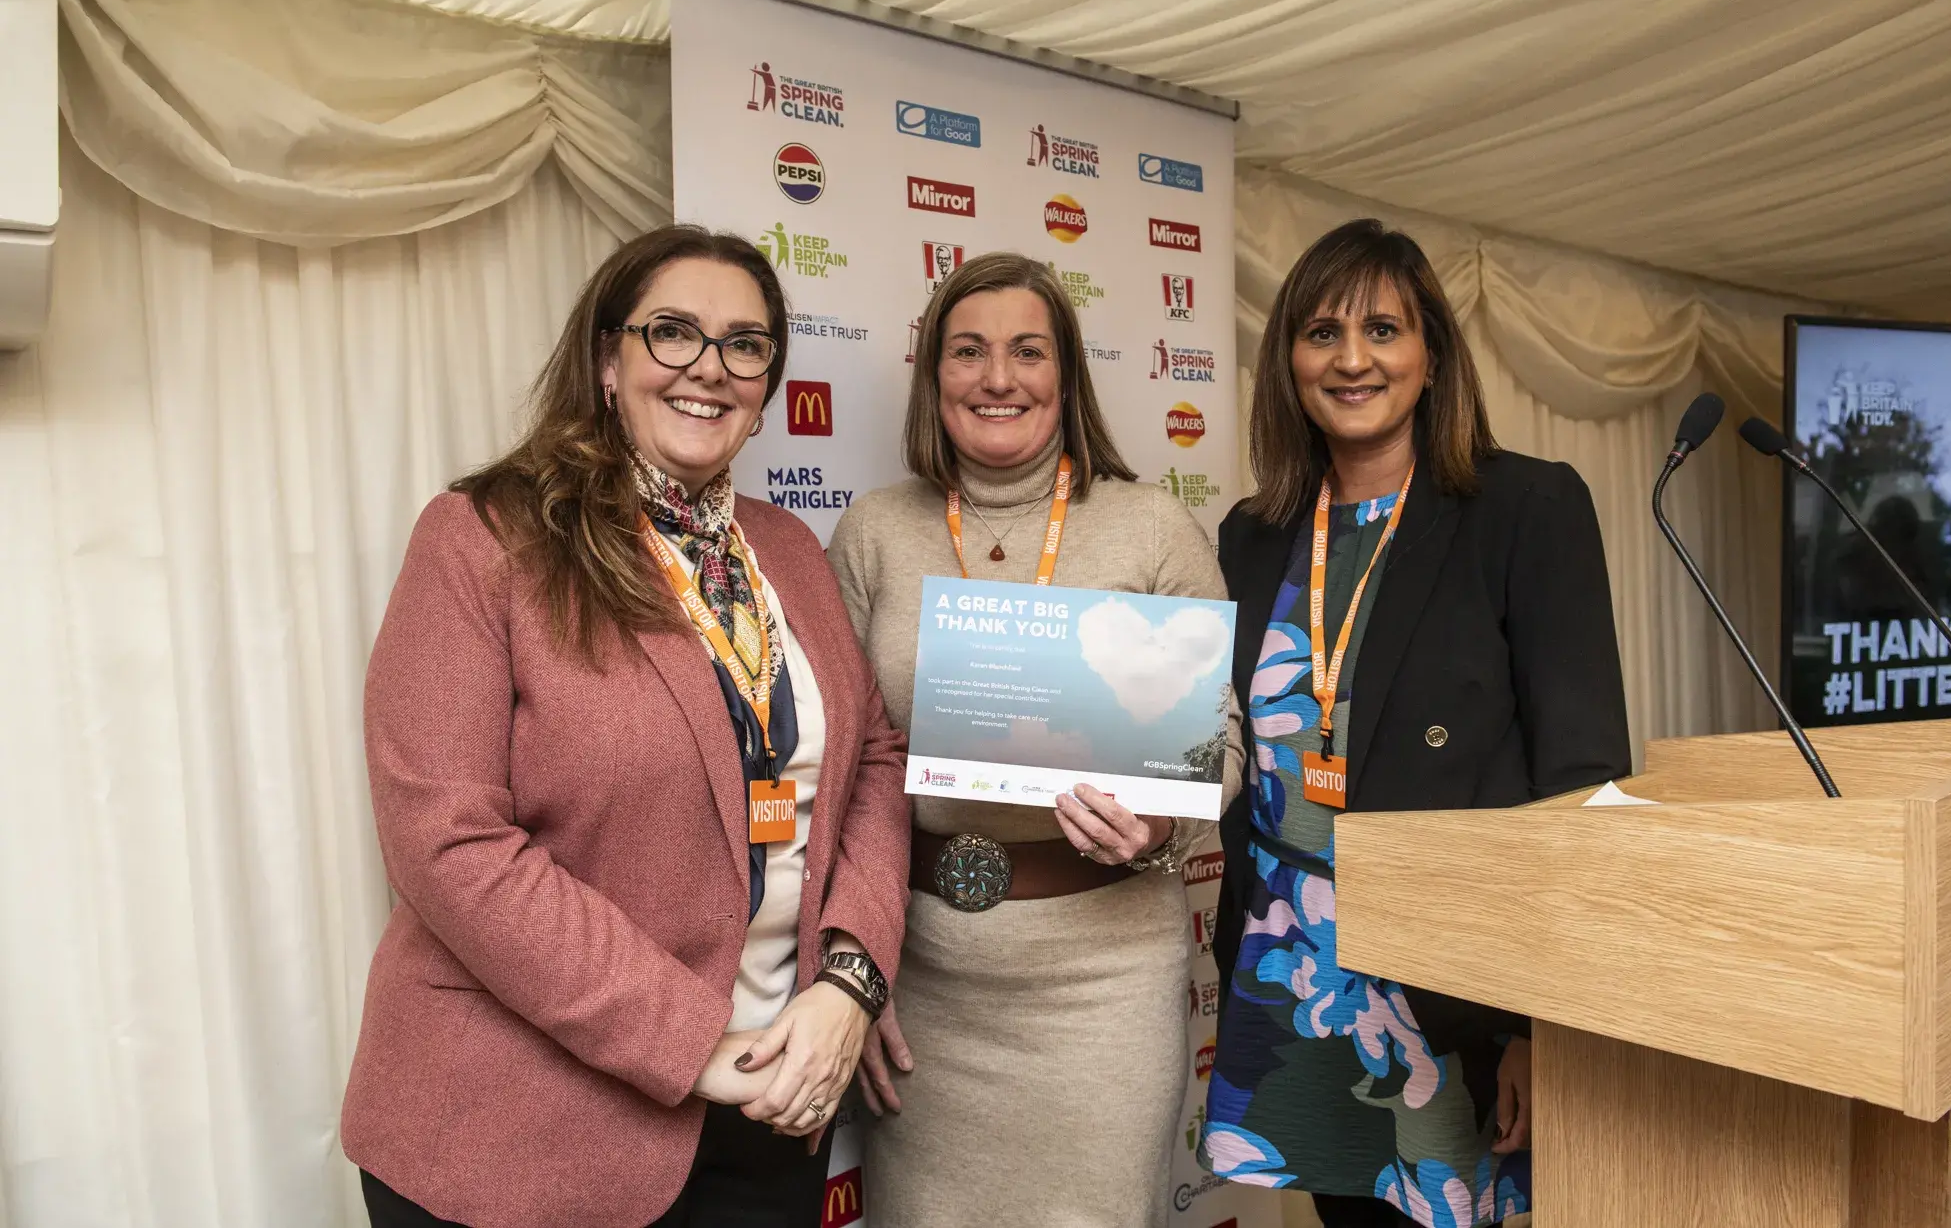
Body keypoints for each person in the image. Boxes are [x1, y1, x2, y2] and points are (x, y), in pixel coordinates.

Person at [339, 225, 911, 1228]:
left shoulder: (788, 550)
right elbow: (448, 844)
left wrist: (848, 982)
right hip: (521, 1132)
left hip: (771, 1103)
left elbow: (869, 761)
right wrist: (695, 1044)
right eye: (672, 332)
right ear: (608, 361)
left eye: (744, 344)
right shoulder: (484, 539)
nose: (708, 367)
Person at [1198, 219, 1629, 1227]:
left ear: (1431, 354)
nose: (1351, 360)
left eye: (1381, 330)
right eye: (1320, 332)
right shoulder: (1249, 538)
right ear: (1286, 362)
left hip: (1450, 999)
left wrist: (1538, 1023)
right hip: (1287, 981)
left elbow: (1578, 778)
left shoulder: (1524, 509)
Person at [826, 252, 1241, 1228]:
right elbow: (841, 772)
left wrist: (1157, 826)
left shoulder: (1150, 526)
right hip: (923, 982)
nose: (997, 377)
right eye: (966, 352)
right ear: (934, 379)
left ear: (1066, 375)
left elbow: (1225, 744)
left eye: (1026, 351)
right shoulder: (874, 531)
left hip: (1102, 987)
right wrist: (854, 976)